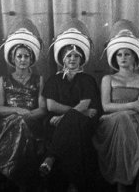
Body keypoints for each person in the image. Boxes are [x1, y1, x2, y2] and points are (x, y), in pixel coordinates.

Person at [0, 19, 47, 191]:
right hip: (8, 121)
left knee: (19, 122)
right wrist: (18, 111)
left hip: (32, 121)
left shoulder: (39, 79)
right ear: (13, 58)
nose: (23, 59)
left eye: (26, 56)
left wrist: (28, 115)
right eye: (19, 56)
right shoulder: (3, 80)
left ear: (31, 58)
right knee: (16, 121)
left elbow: (43, 108)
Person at [39, 19, 102, 191]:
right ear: (62, 59)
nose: (72, 59)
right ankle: (74, 183)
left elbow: (85, 104)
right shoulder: (54, 79)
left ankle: (50, 158)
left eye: (76, 56)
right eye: (69, 56)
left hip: (83, 122)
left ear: (81, 59)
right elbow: (51, 106)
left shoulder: (87, 79)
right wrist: (70, 116)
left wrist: (65, 117)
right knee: (73, 135)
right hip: (61, 120)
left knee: (77, 130)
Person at [93, 19, 139, 191]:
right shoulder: (108, 79)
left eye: (127, 54)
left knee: (126, 121)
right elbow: (106, 106)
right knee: (121, 119)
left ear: (134, 56)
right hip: (111, 120)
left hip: (137, 119)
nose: (123, 58)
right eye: (119, 54)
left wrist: (132, 106)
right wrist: (131, 105)